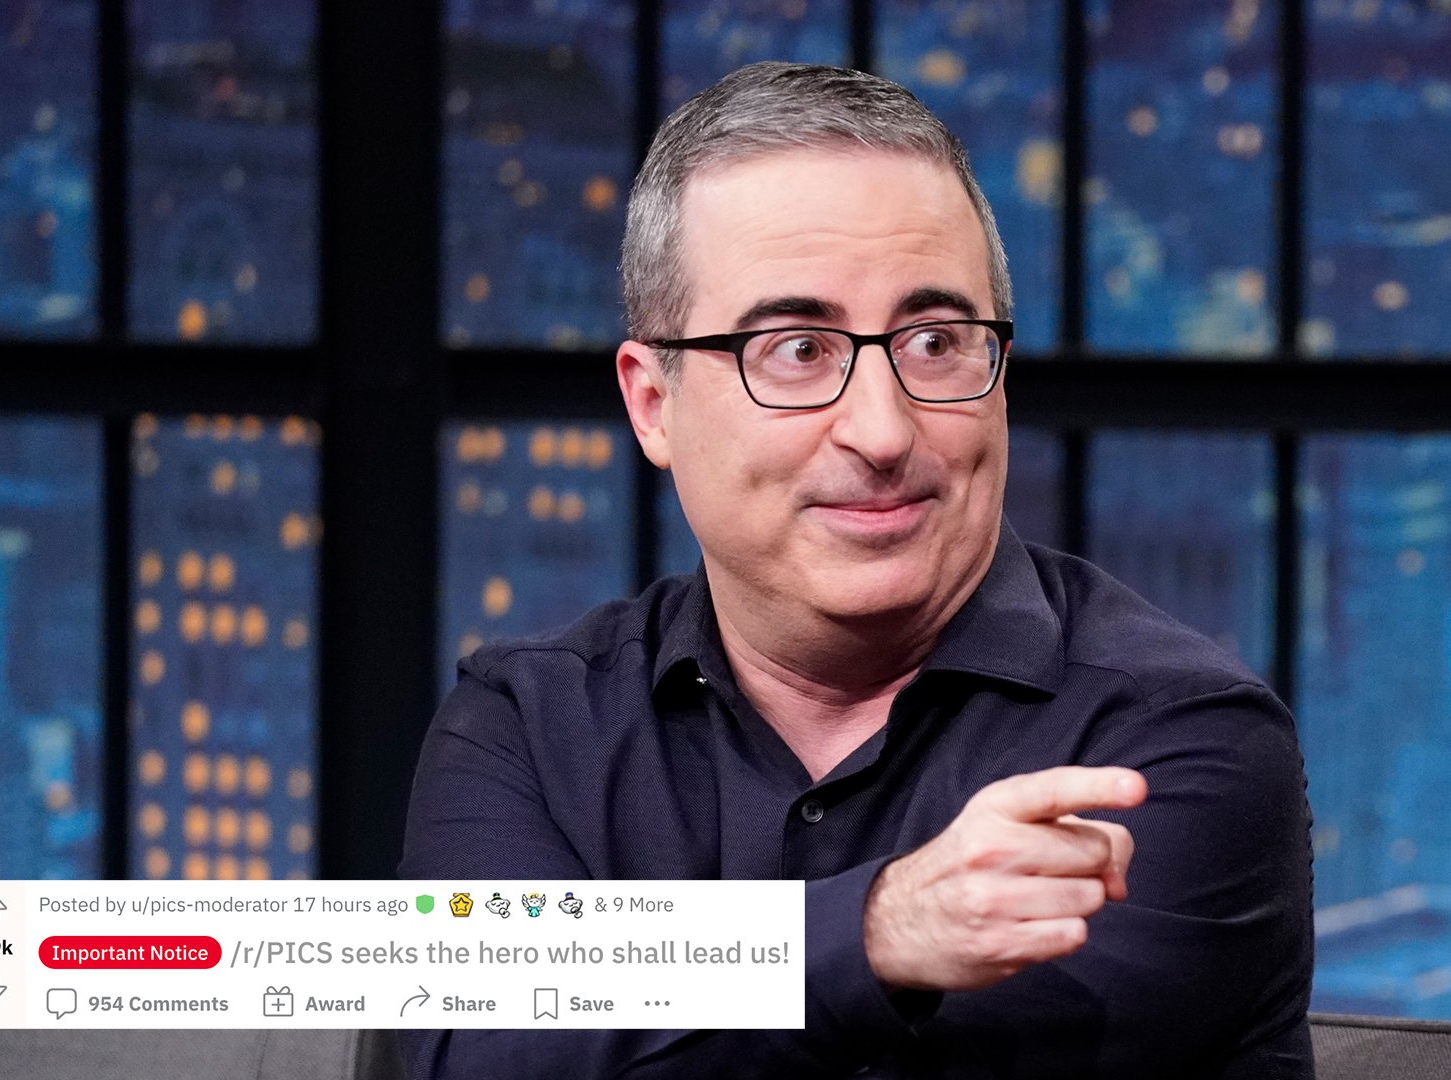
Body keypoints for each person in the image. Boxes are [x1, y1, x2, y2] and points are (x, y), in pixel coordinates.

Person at [400, 61, 1313, 1078]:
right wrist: (878, 934)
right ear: (653, 403)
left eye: (934, 342)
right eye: (796, 350)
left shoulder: (1176, 746)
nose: (882, 430)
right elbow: (477, 1059)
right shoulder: (528, 730)